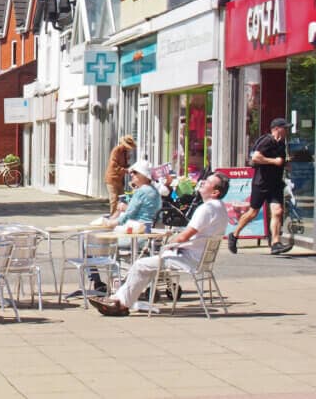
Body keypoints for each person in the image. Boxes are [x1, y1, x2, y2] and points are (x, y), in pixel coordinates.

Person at [91, 172, 230, 316]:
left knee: (140, 265)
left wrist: (169, 242)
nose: (202, 183)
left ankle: (120, 303)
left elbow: (185, 236)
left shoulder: (206, 209)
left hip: (188, 258)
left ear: (215, 192)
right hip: (199, 258)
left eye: (207, 182)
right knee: (146, 267)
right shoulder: (220, 208)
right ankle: (120, 301)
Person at [229, 117, 289, 254]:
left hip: (275, 183)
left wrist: (286, 164)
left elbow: (281, 161)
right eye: (284, 128)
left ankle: (275, 243)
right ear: (276, 129)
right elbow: (256, 157)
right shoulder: (267, 140)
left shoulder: (282, 144)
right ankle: (235, 234)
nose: (286, 131)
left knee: (278, 211)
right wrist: (275, 161)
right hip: (261, 183)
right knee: (253, 212)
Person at [107, 160, 161, 228]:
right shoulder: (154, 190)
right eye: (131, 172)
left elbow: (128, 215)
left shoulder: (142, 191)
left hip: (137, 229)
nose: (131, 174)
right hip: (148, 228)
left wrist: (109, 223)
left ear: (144, 175)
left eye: (135, 172)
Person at [104, 135, 136, 215]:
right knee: (114, 199)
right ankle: (113, 217)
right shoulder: (116, 150)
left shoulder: (125, 152)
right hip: (112, 178)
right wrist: (125, 170)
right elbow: (113, 165)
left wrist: (130, 167)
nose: (129, 148)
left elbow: (124, 164)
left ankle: (119, 216)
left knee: (122, 198)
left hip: (120, 179)